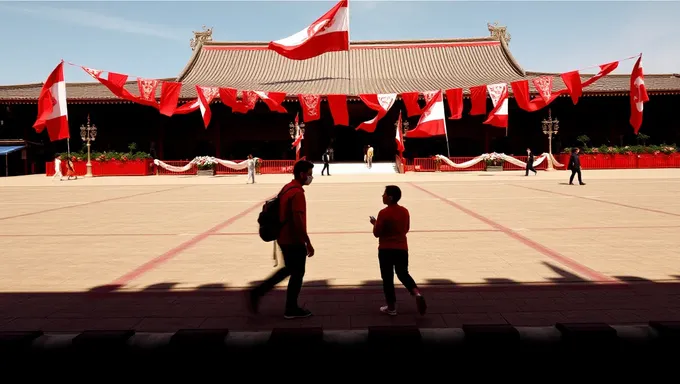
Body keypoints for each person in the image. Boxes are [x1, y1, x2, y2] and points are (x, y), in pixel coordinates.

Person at [249, 160, 315, 319]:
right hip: (293, 239)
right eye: (310, 174)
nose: (311, 177)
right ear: (302, 174)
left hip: (282, 237)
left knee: (289, 269)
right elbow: (298, 220)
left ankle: (258, 292)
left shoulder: (287, 187)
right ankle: (291, 309)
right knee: (297, 273)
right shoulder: (297, 193)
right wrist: (307, 242)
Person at [370, 185, 426, 316]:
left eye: (384, 194)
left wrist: (374, 224)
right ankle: (416, 293)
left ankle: (391, 307)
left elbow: (377, 233)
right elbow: (406, 229)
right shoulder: (405, 211)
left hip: (386, 250)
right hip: (401, 248)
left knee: (387, 278)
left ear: (390, 197)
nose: (382, 196)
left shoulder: (383, 213)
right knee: (403, 273)